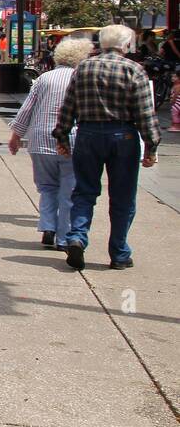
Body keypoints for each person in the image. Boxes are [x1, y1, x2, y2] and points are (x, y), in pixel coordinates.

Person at [52, 24, 161, 271]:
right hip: (123, 135)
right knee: (122, 196)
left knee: (84, 191)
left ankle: (77, 236)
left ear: (101, 43)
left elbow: (69, 105)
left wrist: (61, 136)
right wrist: (152, 146)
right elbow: (145, 112)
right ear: (126, 44)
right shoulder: (134, 70)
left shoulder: (84, 68)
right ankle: (119, 252)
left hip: (88, 133)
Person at [8, 37, 95, 251]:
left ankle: (48, 226)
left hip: (40, 139)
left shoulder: (45, 78)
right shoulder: (82, 78)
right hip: (72, 139)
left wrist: (16, 135)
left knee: (47, 187)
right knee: (69, 191)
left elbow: (27, 108)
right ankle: (64, 237)